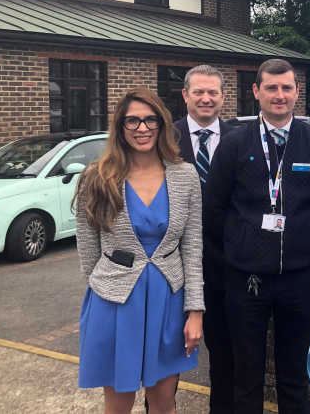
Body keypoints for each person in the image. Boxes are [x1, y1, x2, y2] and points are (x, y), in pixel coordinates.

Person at [203, 59, 310, 413]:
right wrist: (243, 243)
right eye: (271, 88)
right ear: (256, 92)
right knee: (246, 379)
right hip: (246, 279)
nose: (279, 96)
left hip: (297, 277)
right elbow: (214, 208)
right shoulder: (234, 145)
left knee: (293, 378)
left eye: (286, 88)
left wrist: (301, 239)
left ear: (297, 92)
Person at [75, 87, 204, 414]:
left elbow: (192, 248)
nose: (142, 128)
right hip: (116, 302)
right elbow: (88, 248)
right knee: (118, 403)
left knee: (163, 400)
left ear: (162, 125)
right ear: (120, 126)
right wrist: (105, 287)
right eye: (132, 121)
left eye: (150, 120)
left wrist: (196, 312)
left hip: (168, 301)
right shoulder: (97, 177)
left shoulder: (185, 176)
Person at [173, 65, 235, 414]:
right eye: (199, 92)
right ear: (185, 95)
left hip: (227, 270)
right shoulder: (163, 139)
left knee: (226, 360)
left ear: (223, 97)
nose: (206, 98)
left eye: (213, 92)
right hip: (175, 271)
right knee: (165, 362)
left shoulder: (242, 138)